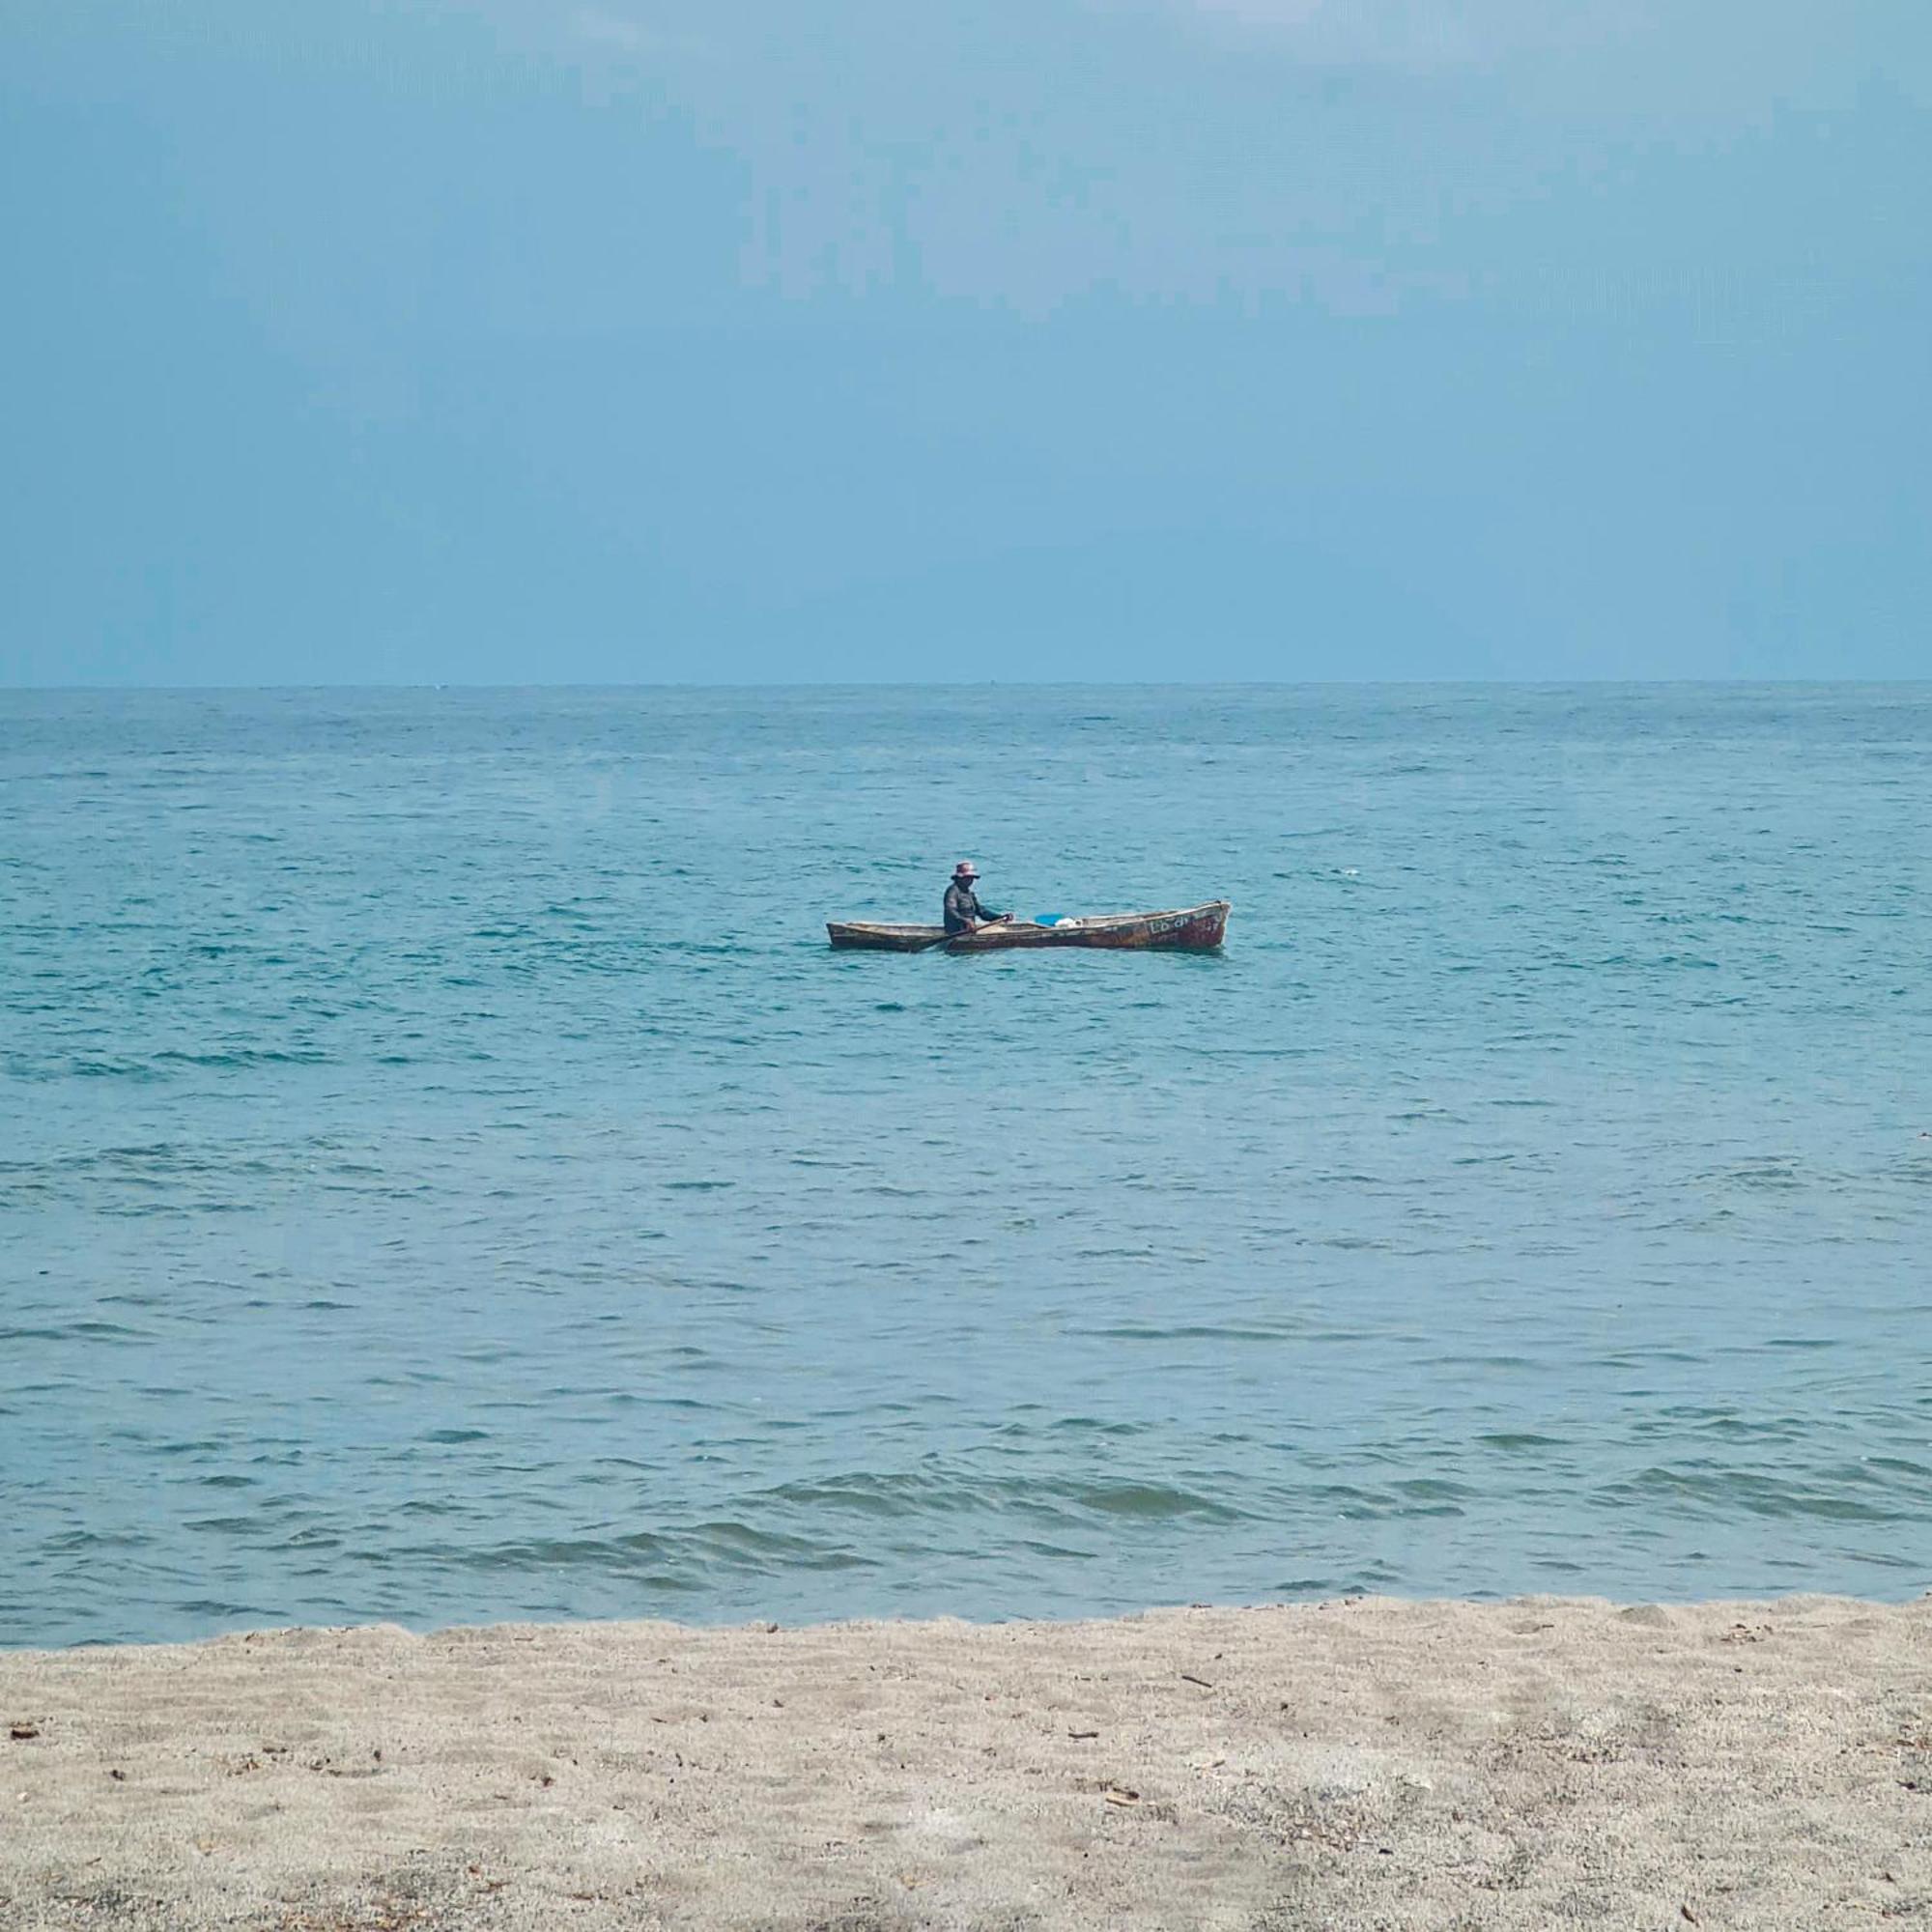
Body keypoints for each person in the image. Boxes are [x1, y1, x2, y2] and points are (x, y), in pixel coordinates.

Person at [943, 861, 1005, 935]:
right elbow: (951, 911)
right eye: (967, 878)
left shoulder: (969, 893)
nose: (970, 880)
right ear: (959, 878)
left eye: (972, 878)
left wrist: (1000, 917)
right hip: (956, 932)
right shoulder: (952, 891)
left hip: (969, 931)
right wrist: (966, 921)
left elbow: (981, 912)